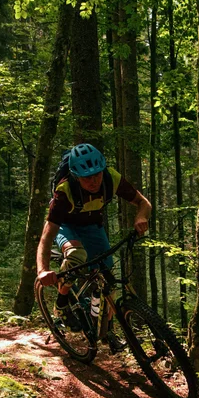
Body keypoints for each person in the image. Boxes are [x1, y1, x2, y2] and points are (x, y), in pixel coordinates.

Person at [36, 143, 151, 350]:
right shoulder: (65, 192)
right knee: (76, 255)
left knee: (109, 280)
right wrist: (43, 270)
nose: (94, 181)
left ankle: (107, 332)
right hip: (67, 227)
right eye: (86, 177)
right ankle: (61, 304)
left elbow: (143, 202)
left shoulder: (111, 178)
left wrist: (141, 217)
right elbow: (47, 235)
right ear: (76, 176)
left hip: (93, 227)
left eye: (97, 174)